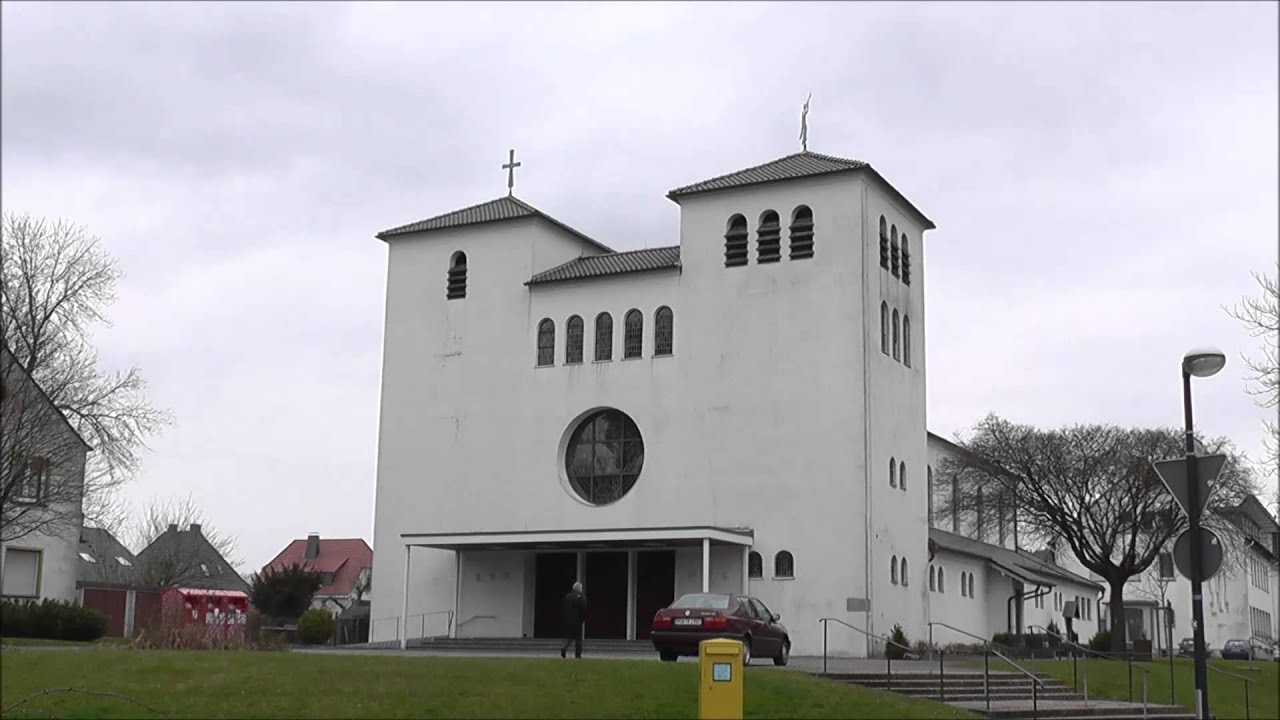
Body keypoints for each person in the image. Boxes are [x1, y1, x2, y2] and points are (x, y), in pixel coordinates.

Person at [560, 581, 587, 658]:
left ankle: (564, 648)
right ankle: (578, 654)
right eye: (581, 588)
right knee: (578, 638)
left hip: (568, 620)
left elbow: (563, 608)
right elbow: (583, 608)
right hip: (577, 621)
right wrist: (583, 619)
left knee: (570, 636)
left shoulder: (567, 596)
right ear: (579, 588)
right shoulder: (581, 597)